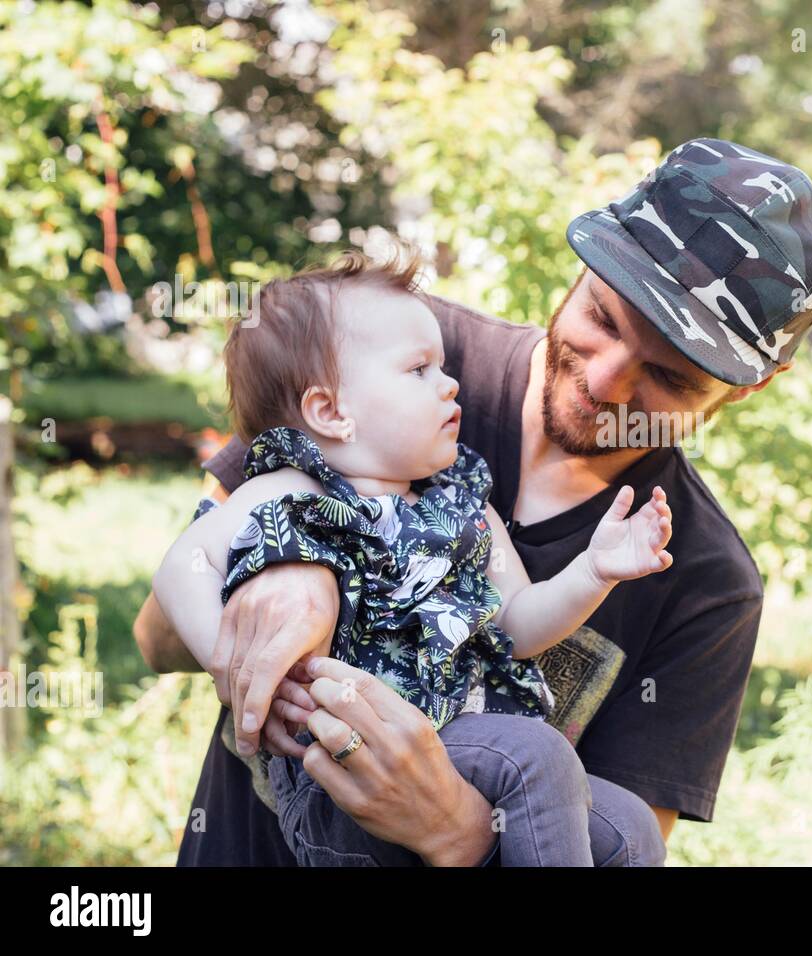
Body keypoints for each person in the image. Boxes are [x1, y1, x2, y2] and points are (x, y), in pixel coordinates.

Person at [133, 137, 812, 866]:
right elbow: (155, 639)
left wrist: (457, 833)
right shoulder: (394, 350)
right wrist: (290, 555)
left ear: (748, 386)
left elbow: (624, 844)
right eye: (603, 318)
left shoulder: (707, 581)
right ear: (586, 267)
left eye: (670, 375)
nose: (606, 382)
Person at [150, 251, 674, 866]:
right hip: (345, 766)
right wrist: (239, 673)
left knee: (631, 828)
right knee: (538, 756)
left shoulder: (457, 500)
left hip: (457, 753)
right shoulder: (292, 489)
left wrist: (594, 570)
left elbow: (518, 625)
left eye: (443, 366)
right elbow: (179, 569)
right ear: (331, 412)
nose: (450, 384)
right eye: (418, 369)